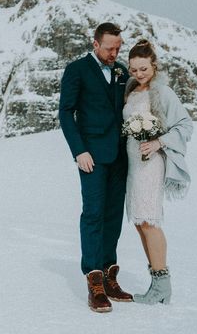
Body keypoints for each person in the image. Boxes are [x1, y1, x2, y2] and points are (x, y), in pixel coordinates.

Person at [58, 22, 133, 313]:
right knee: (93, 214)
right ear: (95, 44)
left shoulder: (121, 72)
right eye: (110, 48)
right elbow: (66, 112)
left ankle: (109, 273)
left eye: (118, 48)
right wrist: (79, 151)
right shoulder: (76, 70)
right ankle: (94, 281)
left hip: (119, 157)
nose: (115, 53)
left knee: (113, 216)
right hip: (91, 157)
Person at [123, 39, 193, 304]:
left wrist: (158, 142)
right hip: (133, 161)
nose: (139, 74)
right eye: (133, 70)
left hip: (151, 163)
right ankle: (156, 283)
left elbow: (184, 125)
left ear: (154, 65)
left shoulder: (163, 92)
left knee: (149, 220)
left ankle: (163, 285)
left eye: (143, 68)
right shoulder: (131, 91)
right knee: (140, 222)